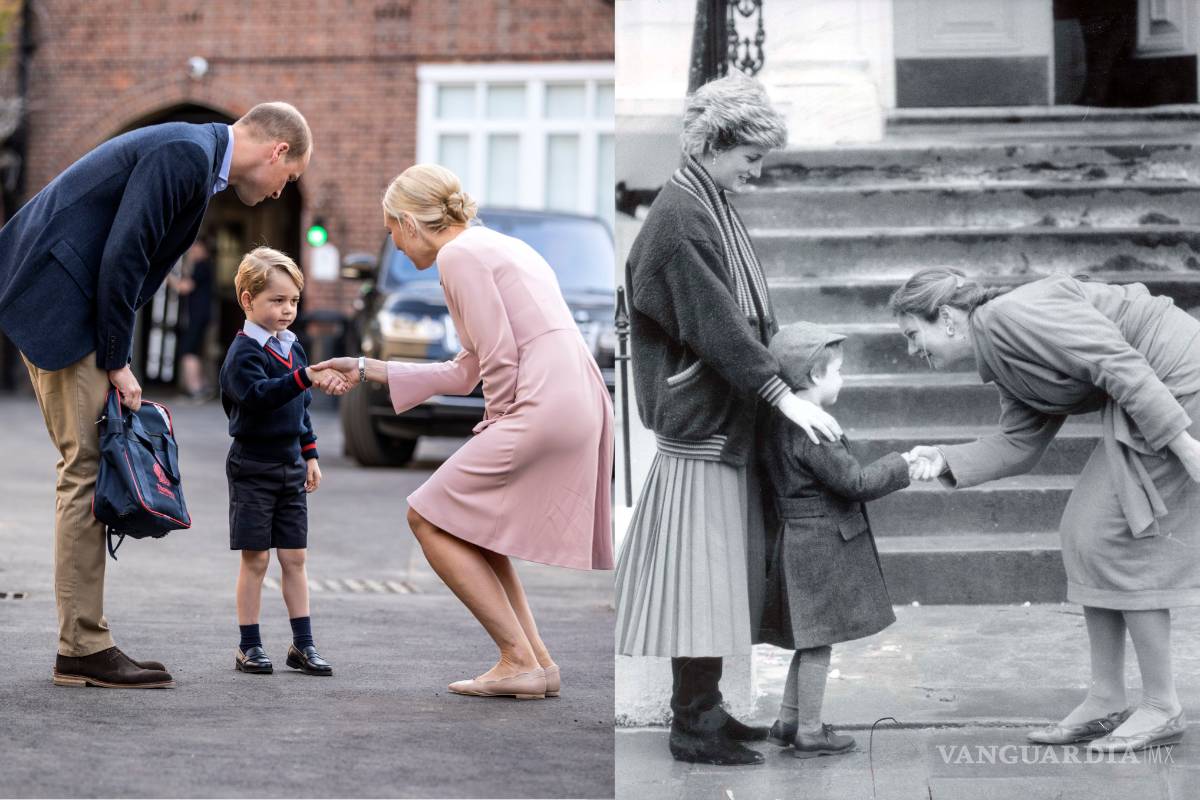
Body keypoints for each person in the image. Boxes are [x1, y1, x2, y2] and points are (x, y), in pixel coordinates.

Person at [0, 101, 312, 689]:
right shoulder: (184, 154)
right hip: (61, 307)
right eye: (288, 179)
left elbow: (127, 258)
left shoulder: (193, 156)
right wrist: (118, 360)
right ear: (277, 152)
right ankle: (82, 648)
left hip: (64, 303)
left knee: (87, 468)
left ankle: (84, 643)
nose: (279, 193)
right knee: (87, 473)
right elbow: (125, 256)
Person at [313, 163, 613, 700]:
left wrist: (495, 423)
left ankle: (517, 658)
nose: (397, 248)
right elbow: (464, 368)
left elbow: (497, 358)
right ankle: (536, 663)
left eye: (391, 233)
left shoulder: (458, 255)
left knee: (426, 515)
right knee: (476, 526)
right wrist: (364, 366)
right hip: (575, 396)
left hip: (540, 402)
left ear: (409, 221)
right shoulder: (496, 246)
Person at [612, 73, 841, 767]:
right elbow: (717, 324)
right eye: (750, 157)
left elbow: (727, 319)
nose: (756, 171)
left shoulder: (698, 200)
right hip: (699, 422)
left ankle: (703, 708)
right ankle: (691, 725)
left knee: (707, 578)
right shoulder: (683, 217)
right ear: (716, 144)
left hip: (709, 418)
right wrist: (783, 394)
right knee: (700, 579)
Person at [894, 268, 1200, 753]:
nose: (913, 351)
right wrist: (945, 456)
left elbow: (1118, 364)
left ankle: (1162, 706)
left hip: (1177, 384)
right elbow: (1019, 444)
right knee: (1083, 532)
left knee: (1114, 536)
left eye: (914, 335)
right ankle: (1106, 698)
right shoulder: (999, 353)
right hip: (1150, 391)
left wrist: (1185, 446)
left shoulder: (1014, 316)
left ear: (948, 319)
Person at [758, 322, 912, 758]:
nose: (843, 378)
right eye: (838, 371)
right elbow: (856, 482)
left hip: (797, 539)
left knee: (809, 639)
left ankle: (788, 722)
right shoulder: (814, 429)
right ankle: (809, 731)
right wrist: (901, 464)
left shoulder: (776, 423)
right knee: (818, 642)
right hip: (820, 544)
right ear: (812, 377)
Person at [220, 247, 347, 677]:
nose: (287, 310)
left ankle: (303, 645)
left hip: (291, 466)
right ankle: (249, 646)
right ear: (247, 300)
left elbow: (300, 409)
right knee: (255, 559)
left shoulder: (293, 349)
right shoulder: (243, 355)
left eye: (293, 300)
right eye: (277, 300)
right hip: (252, 466)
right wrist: (301, 378)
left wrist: (310, 454)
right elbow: (258, 397)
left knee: (294, 559)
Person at [169, 238, 216, 399]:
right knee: (193, 350)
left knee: (187, 350)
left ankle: (195, 389)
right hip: (199, 316)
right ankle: (200, 387)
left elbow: (184, 287)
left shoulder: (202, 265)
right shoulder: (204, 265)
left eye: (195, 248)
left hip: (196, 316)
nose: (192, 251)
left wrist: (166, 277)